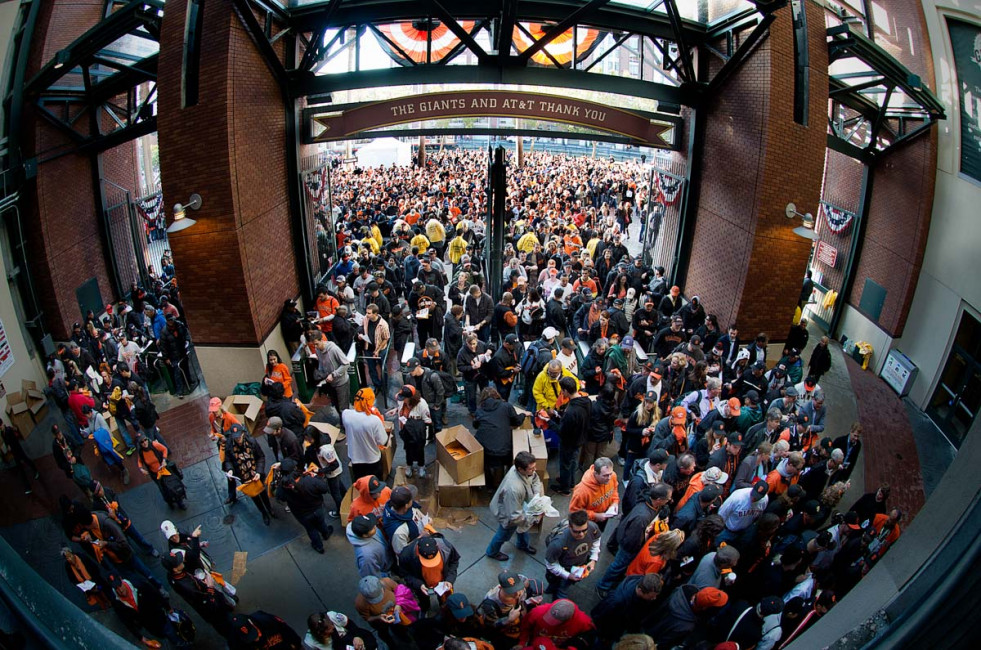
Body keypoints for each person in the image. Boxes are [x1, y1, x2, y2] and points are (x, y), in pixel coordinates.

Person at [596, 483, 673, 597]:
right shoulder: (641, 517)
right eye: (668, 499)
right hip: (629, 546)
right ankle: (602, 586)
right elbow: (632, 539)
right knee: (618, 566)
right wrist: (637, 550)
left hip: (634, 541)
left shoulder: (652, 503)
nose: (670, 500)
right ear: (659, 499)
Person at [486, 452, 544, 561]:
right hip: (508, 513)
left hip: (519, 505)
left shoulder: (524, 471)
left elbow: (535, 479)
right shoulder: (514, 488)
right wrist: (534, 517)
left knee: (523, 527)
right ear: (520, 469)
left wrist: (536, 497)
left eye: (534, 467)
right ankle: (492, 552)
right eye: (531, 468)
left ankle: (522, 545)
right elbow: (515, 517)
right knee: (503, 534)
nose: (534, 470)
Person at [107, 573, 186, 649]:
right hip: (149, 627)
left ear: (121, 579)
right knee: (163, 639)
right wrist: (140, 637)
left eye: (119, 585)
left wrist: (167, 607)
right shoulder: (116, 602)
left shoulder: (138, 585)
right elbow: (126, 621)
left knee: (172, 634)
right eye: (116, 588)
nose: (120, 590)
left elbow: (156, 593)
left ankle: (183, 645)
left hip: (160, 618)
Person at [275, 458, 334, 554]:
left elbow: (280, 497)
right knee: (321, 522)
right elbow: (324, 488)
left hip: (302, 515)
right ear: (295, 469)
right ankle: (326, 533)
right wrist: (316, 477)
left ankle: (318, 546)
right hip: (317, 508)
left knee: (311, 529)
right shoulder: (309, 480)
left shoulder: (284, 487)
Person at [223, 424, 275, 525]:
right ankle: (264, 513)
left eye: (239, 437)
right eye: (235, 437)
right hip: (245, 478)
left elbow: (261, 457)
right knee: (254, 496)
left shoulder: (252, 442)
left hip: (256, 474)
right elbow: (228, 461)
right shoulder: (229, 447)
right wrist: (230, 470)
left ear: (243, 434)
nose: (238, 439)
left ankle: (269, 509)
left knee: (263, 493)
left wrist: (259, 472)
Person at [644, 585, 729, 648]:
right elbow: (665, 642)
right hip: (649, 640)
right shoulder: (686, 625)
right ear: (705, 608)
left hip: (648, 621)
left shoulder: (685, 588)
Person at [544, 510, 602, 599]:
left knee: (564, 586)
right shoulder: (558, 543)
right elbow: (550, 564)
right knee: (559, 589)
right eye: (577, 532)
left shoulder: (592, 527)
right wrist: (568, 576)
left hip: (578, 567)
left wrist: (593, 559)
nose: (581, 534)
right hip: (561, 570)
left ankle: (553, 589)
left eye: (584, 530)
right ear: (569, 527)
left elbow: (596, 540)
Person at [474, 386, 524, 488]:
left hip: (484, 447)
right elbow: (517, 421)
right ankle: (499, 485)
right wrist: (523, 414)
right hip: (503, 447)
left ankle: (488, 484)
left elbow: (475, 425)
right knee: (501, 460)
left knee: (486, 461)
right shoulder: (506, 406)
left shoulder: (479, 410)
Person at [397, 536, 460, 614]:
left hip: (443, 585)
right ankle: (425, 608)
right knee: (423, 601)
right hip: (423, 587)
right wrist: (419, 585)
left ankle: (444, 608)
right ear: (418, 551)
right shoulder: (406, 555)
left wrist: (450, 579)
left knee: (445, 601)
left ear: (438, 546)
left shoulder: (447, 547)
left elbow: (454, 562)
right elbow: (405, 574)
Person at [550, 377, 591, 496]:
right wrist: (559, 415)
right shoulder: (586, 401)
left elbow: (561, 431)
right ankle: (570, 482)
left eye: (562, 391)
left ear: (566, 391)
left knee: (565, 464)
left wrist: (549, 421)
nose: (561, 393)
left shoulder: (571, 411)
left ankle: (565, 488)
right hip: (580, 438)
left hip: (569, 442)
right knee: (573, 461)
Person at [591, 573, 662, 642]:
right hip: (608, 630)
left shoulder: (640, 581)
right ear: (640, 591)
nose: (654, 598)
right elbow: (602, 616)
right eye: (652, 596)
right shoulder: (619, 601)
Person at [519, 599, 595, 649]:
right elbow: (525, 627)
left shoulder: (583, 622)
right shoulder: (537, 612)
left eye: (555, 622)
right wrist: (522, 642)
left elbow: (587, 638)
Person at [390, 384, 431, 478]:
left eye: (404, 398)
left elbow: (428, 421)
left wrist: (426, 438)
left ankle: (421, 466)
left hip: (418, 433)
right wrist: (396, 410)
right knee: (408, 449)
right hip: (406, 431)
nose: (402, 399)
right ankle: (409, 465)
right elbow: (400, 407)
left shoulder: (422, 404)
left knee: (420, 450)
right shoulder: (401, 400)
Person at [569, 458, 619, 531]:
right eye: (605, 475)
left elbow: (614, 489)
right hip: (588, 523)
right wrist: (595, 516)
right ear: (595, 473)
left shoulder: (612, 476)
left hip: (603, 517)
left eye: (610, 474)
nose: (609, 478)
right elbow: (575, 511)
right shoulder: (581, 491)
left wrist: (615, 502)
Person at [341, 406, 390, 480]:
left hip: (355, 459)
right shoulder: (374, 420)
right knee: (376, 484)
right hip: (372, 460)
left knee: (361, 484)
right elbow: (382, 441)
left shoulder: (346, 414)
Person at [313, 332, 351, 415]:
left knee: (343, 408)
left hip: (341, 383)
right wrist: (320, 373)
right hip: (330, 383)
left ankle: (344, 426)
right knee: (336, 404)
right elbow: (321, 362)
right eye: (314, 345)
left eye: (317, 344)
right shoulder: (318, 350)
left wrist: (333, 374)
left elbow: (346, 364)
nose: (315, 347)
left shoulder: (334, 349)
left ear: (322, 340)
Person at [347, 513, 393, 579]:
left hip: (388, 560)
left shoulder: (370, 530)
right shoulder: (366, 556)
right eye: (372, 528)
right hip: (385, 572)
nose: (375, 526)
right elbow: (372, 576)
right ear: (365, 535)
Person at [225, 611, 302, 650]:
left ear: (252, 623)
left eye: (255, 633)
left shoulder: (268, 620)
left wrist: (297, 645)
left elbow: (288, 631)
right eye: (249, 638)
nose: (257, 638)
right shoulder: (234, 642)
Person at [303, 610, 377, 650]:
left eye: (332, 624)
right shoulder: (310, 643)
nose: (333, 627)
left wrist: (357, 636)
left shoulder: (333, 616)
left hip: (348, 641)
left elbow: (350, 624)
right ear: (321, 633)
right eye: (329, 628)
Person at [1, 419, 39, 494]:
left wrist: (10, 446)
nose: (1, 428)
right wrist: (8, 446)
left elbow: (14, 440)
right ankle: (27, 487)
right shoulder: (2, 433)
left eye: (0, 426)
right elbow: (6, 441)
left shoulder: (9, 430)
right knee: (20, 468)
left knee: (26, 460)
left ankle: (35, 470)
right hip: (14, 452)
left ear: (2, 424)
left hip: (18, 449)